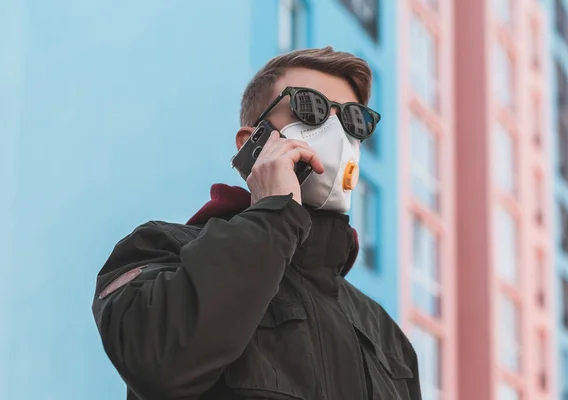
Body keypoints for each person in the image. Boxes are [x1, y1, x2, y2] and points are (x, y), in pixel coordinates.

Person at [92, 47, 422, 400]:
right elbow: (160, 364)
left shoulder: (386, 335)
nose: (337, 134)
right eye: (311, 108)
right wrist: (274, 212)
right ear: (252, 142)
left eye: (353, 120)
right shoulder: (159, 251)